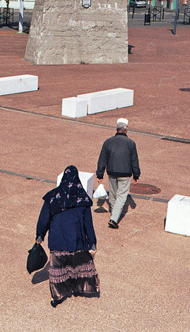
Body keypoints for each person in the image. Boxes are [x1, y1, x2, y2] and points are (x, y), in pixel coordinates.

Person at [36, 165, 100, 308]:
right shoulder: (82, 199)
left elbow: (44, 219)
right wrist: (92, 242)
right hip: (77, 240)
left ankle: (57, 296)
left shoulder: (53, 197)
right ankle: (77, 288)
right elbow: (88, 224)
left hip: (58, 240)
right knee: (76, 266)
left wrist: (40, 234)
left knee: (58, 269)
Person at [96, 118, 140, 229]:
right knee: (121, 196)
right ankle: (114, 219)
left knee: (113, 194)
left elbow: (102, 159)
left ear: (116, 128)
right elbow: (134, 161)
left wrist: (100, 174)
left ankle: (114, 212)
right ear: (127, 129)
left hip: (111, 172)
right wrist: (136, 175)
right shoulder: (131, 143)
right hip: (125, 173)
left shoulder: (108, 142)